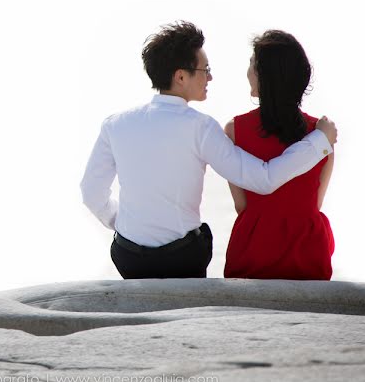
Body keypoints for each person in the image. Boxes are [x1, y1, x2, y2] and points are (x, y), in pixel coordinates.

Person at [80, 21, 337, 279]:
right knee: (200, 236)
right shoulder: (201, 127)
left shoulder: (115, 124)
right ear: (181, 77)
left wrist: (126, 226)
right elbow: (264, 180)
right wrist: (318, 143)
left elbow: (90, 192)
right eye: (205, 70)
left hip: (128, 257)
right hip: (181, 258)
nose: (210, 77)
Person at [223, 30, 335, 280]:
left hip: (252, 251)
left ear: (265, 77)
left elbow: (242, 205)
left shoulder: (234, 130)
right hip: (308, 254)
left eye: (252, 65)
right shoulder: (322, 134)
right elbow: (314, 204)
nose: (248, 72)